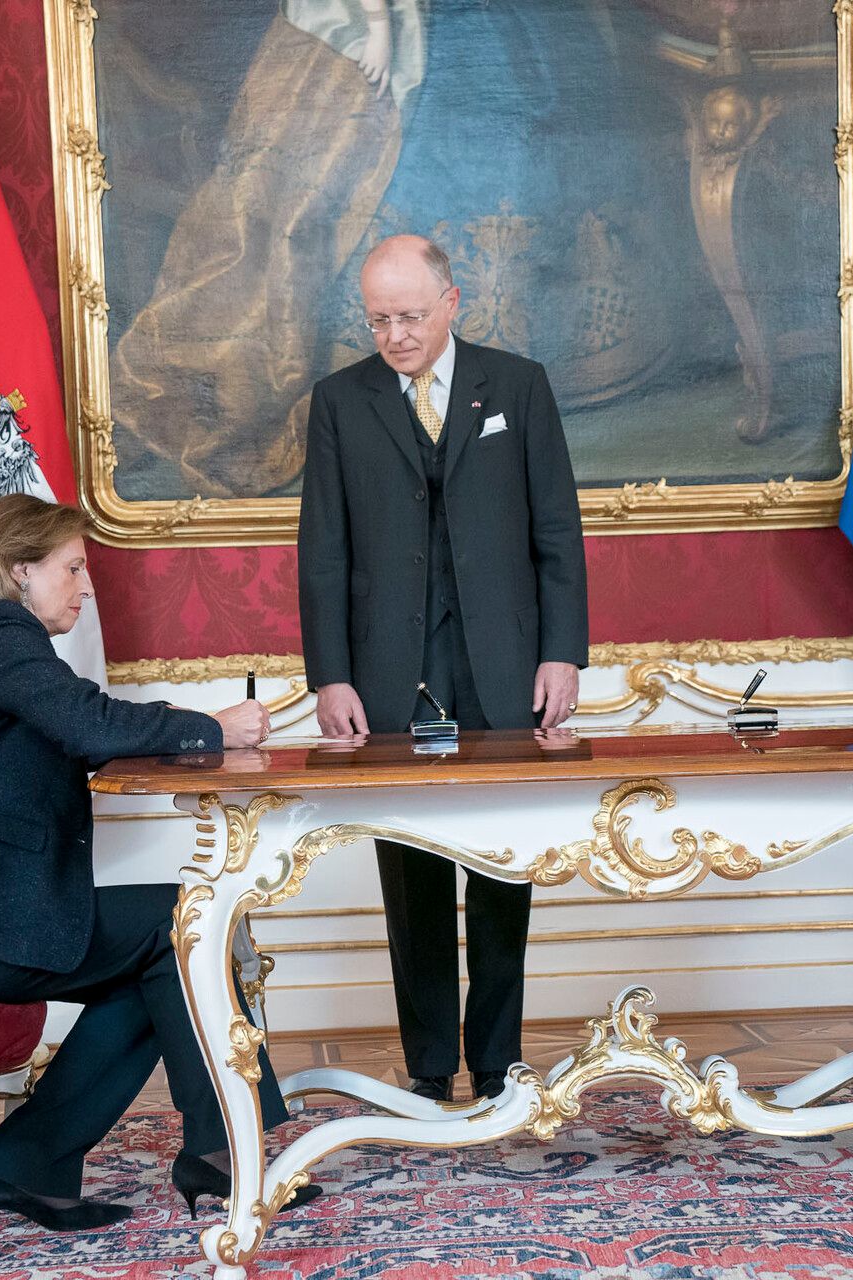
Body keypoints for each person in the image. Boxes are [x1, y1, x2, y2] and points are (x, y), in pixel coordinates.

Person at [0, 494, 317, 1231]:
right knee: (182, 920)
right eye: (72, 568)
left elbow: (80, 717)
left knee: (165, 962)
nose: (85, 586)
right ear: (17, 570)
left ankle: (27, 1167)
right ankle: (225, 1151)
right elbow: (88, 724)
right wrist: (212, 728)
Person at [297, 234, 589, 1102]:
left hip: (504, 672)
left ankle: (497, 1066)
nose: (395, 335)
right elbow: (324, 553)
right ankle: (429, 1070)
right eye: (380, 319)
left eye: (411, 316)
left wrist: (561, 653)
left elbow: (557, 533)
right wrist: (331, 675)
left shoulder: (520, 385)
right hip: (388, 676)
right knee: (412, 880)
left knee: (504, 873)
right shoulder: (340, 402)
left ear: (453, 302)